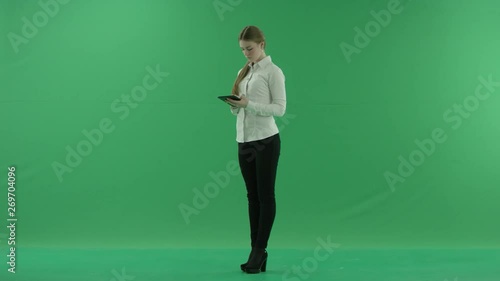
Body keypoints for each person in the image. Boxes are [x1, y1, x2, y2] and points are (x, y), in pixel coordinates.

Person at [225, 25, 287, 274]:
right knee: (252, 197)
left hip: (265, 141)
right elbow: (242, 107)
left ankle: (259, 250)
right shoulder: (243, 71)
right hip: (244, 139)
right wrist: (235, 106)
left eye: (249, 48)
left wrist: (248, 103)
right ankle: (255, 251)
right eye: (242, 49)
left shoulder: (273, 72)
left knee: (265, 195)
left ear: (262, 44)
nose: (246, 53)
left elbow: (280, 109)